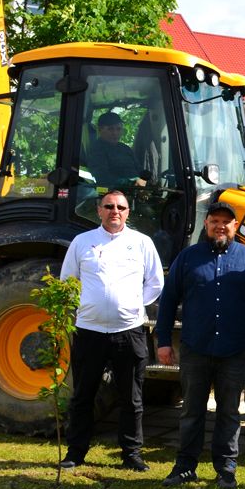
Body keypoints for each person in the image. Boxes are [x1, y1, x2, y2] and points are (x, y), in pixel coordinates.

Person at [155, 201, 245, 489]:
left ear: (235, 227)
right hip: (196, 348)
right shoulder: (188, 258)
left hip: (235, 350)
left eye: (226, 222)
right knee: (191, 411)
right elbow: (168, 301)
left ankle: (226, 469)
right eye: (215, 220)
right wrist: (164, 342)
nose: (220, 226)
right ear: (206, 224)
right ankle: (185, 467)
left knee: (229, 412)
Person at [59, 189, 164, 471]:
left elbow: (155, 282)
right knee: (83, 395)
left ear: (128, 212)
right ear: (99, 211)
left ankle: (131, 455)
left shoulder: (141, 243)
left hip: (128, 331)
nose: (114, 211)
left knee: (132, 397)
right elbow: (68, 280)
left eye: (120, 207)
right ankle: (75, 453)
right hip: (88, 331)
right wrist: (84, 307)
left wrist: (133, 305)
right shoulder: (83, 242)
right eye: (109, 206)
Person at [87, 111, 147, 188]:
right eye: (110, 129)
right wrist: (130, 182)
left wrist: (145, 177)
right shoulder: (96, 150)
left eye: (118, 129)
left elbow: (139, 169)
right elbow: (102, 178)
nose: (115, 133)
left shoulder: (125, 148)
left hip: (133, 190)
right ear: (100, 129)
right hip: (107, 192)